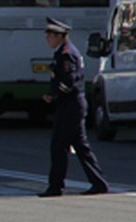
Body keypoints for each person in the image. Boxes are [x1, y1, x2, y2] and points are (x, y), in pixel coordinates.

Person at [39, 17, 109, 197]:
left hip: (70, 106)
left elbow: (69, 82)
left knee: (59, 146)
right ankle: (98, 182)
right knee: (79, 146)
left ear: (59, 36)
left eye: (49, 35)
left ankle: (56, 186)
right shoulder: (63, 52)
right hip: (71, 105)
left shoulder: (66, 54)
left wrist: (54, 95)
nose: (47, 39)